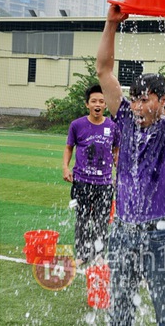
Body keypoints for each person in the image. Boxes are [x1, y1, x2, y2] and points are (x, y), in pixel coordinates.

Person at [96, 3, 165, 325]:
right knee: (120, 312)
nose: (137, 105)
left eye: (145, 98)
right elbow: (104, 72)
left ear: (163, 101)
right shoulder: (125, 120)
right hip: (122, 232)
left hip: (159, 235)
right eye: (134, 98)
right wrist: (111, 25)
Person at [63, 84, 120, 266]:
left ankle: (99, 254)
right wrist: (65, 167)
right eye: (94, 101)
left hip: (104, 183)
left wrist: (119, 172)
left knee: (102, 220)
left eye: (101, 101)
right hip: (82, 181)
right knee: (82, 218)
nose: (97, 104)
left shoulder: (113, 126)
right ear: (87, 104)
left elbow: (116, 150)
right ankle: (82, 254)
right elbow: (69, 147)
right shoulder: (77, 125)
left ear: (105, 105)